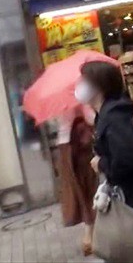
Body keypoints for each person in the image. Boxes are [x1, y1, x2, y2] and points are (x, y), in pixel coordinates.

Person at [75, 61, 133, 262]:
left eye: (83, 81)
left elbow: (128, 158)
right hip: (128, 195)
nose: (78, 85)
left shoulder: (114, 117)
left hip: (131, 200)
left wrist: (101, 164)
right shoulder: (106, 115)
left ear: (98, 86)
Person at [55, 105, 97, 256]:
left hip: (65, 148)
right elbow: (92, 118)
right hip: (80, 148)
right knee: (90, 190)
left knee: (78, 191)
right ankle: (89, 237)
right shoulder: (76, 99)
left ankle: (90, 234)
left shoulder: (58, 103)